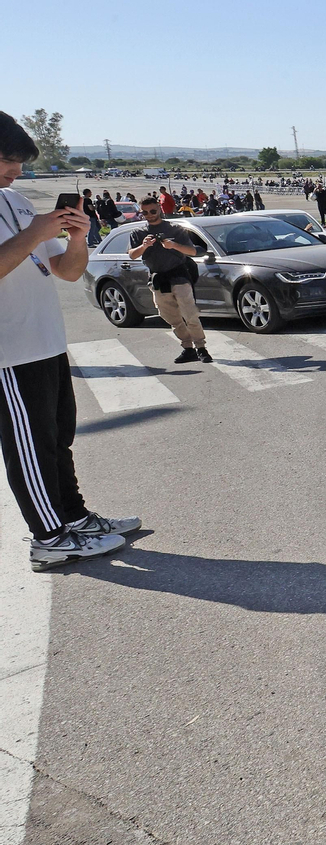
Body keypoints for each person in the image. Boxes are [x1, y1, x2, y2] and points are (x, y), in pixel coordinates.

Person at [0, 113, 140, 570]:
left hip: (46, 342)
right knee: (30, 445)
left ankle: (74, 519)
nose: (14, 171)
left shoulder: (17, 203)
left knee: (58, 437)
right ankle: (48, 538)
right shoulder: (28, 220)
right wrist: (35, 233)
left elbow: (69, 270)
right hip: (8, 352)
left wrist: (76, 236)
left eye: (18, 162)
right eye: (5, 160)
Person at [127, 197, 211, 364]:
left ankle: (201, 347)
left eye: (153, 211)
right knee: (168, 315)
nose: (149, 215)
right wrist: (144, 246)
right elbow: (132, 254)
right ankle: (188, 347)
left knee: (189, 313)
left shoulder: (175, 229)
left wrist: (174, 246)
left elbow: (192, 251)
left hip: (179, 275)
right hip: (158, 278)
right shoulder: (138, 233)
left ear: (159, 208)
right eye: (145, 212)